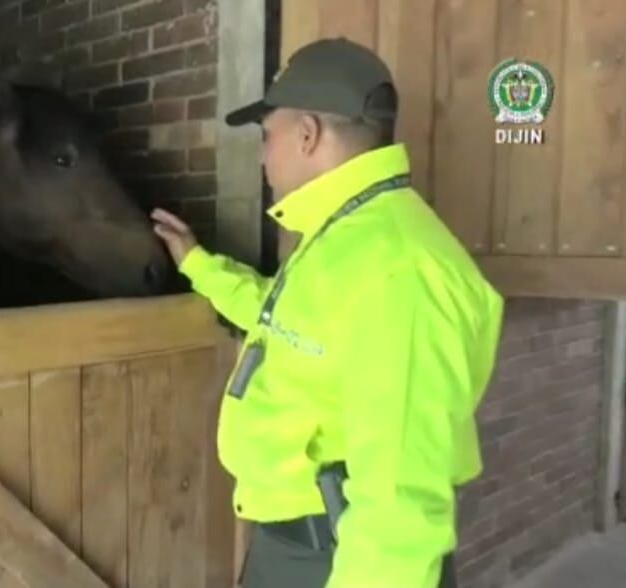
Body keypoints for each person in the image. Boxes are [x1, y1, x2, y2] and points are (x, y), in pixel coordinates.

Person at [150, 37, 505, 588]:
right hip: (299, 547)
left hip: (340, 561)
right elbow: (284, 322)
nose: (263, 156)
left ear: (307, 135)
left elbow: (400, 503)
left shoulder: (400, 269)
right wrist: (199, 265)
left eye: (266, 137)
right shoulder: (346, 236)